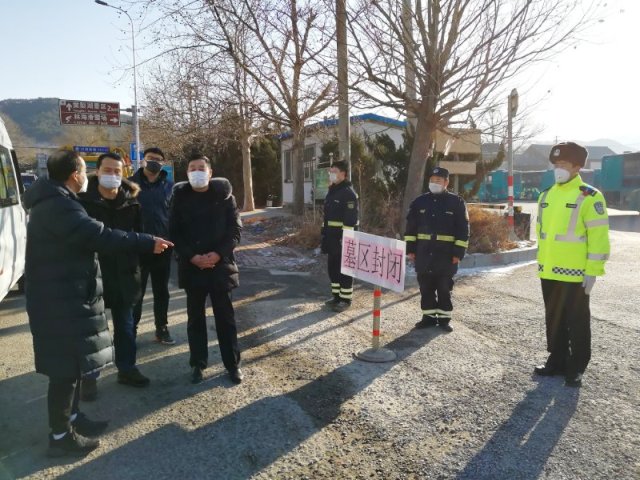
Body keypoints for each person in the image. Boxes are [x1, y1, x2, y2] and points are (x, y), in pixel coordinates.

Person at [23, 150, 172, 457]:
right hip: (59, 299)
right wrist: (147, 242)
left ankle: (72, 418)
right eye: (84, 170)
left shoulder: (55, 201)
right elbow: (100, 235)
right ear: (75, 174)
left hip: (66, 293)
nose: (86, 175)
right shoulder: (60, 206)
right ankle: (60, 437)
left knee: (72, 365)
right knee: (64, 371)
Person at [534, 142, 610, 387]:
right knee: (554, 318)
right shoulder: (546, 195)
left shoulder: (589, 196)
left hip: (576, 273)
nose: (558, 168)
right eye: (556, 164)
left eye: (564, 164)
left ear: (577, 167)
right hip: (549, 270)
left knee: (577, 321)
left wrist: (593, 271)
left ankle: (576, 367)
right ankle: (556, 360)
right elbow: (542, 233)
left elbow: (598, 237)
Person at [79, 152, 152, 392]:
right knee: (92, 330)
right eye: (108, 170)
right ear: (98, 172)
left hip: (125, 274)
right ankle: (90, 377)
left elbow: (140, 237)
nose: (112, 175)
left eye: (117, 171)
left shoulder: (133, 203)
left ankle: (127, 369)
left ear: (123, 174)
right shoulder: (83, 202)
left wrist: (140, 268)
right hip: (94, 275)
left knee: (126, 326)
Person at [169, 154, 243, 385]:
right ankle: (197, 364)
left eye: (201, 168)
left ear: (210, 173)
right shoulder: (179, 198)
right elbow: (174, 232)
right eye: (192, 168)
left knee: (226, 319)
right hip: (192, 267)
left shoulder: (225, 197)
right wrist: (192, 257)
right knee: (195, 319)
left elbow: (235, 231)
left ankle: (232, 364)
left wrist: (218, 254)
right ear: (187, 173)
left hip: (220, 266)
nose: (197, 172)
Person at [404, 167, 469, 332]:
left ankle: (444, 319)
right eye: (432, 180)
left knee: (444, 287)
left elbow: (463, 230)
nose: (434, 183)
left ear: (446, 182)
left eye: (438, 180)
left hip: (446, 255)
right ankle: (428, 318)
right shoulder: (419, 202)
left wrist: (458, 253)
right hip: (423, 253)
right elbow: (411, 228)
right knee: (425, 287)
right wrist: (410, 249)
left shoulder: (456, 203)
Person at [130, 147, 175, 345]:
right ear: (143, 160)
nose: (154, 162)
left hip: (163, 248)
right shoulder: (129, 184)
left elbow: (174, 216)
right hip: (138, 247)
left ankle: (161, 328)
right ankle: (131, 329)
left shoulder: (170, 187)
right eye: (150, 158)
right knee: (135, 292)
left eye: (158, 159)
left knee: (161, 291)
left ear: (163, 163)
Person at [321, 160, 359, 312]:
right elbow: (327, 217)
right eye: (330, 172)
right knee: (333, 268)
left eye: (334, 171)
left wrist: (345, 239)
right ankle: (336, 296)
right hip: (331, 238)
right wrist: (324, 234)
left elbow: (350, 220)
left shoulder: (349, 193)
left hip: (342, 239)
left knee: (345, 269)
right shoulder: (332, 191)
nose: (331, 174)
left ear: (343, 173)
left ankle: (345, 299)